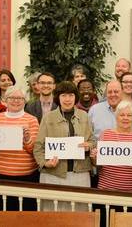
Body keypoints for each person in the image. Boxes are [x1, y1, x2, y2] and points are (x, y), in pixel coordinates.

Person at [33, 81, 93, 211]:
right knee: (52, 216)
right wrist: (45, 163)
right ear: (58, 98)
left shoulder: (84, 116)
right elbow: (38, 147)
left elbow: (93, 141)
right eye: (63, 95)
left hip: (80, 175)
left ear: (75, 97)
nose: (67, 99)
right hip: (53, 175)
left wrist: (89, 145)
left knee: (79, 215)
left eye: (71, 95)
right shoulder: (48, 118)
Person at [0, 86, 39, 210]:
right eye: (12, 97)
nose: (16, 101)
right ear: (6, 100)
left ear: (25, 101)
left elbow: (34, 150)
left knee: (23, 215)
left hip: (26, 178)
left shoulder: (32, 120)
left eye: (20, 98)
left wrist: (27, 139)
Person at [91, 101, 132, 192]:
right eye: (122, 115)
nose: (125, 118)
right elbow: (97, 165)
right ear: (116, 117)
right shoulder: (106, 134)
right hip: (106, 190)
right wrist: (94, 158)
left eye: (129, 115)